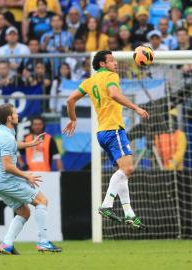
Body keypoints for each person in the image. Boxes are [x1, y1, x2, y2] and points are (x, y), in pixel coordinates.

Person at [63, 50, 149, 229]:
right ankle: (107, 204)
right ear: (102, 64)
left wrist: (73, 119)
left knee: (122, 173)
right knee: (128, 168)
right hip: (114, 129)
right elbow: (114, 94)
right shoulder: (111, 76)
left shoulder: (89, 82)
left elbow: (70, 100)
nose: (115, 63)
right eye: (111, 60)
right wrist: (136, 108)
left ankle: (129, 214)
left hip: (102, 133)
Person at [0, 103, 62, 255]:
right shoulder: (6, 137)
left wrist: (31, 143)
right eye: (15, 113)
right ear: (10, 117)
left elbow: (13, 145)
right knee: (42, 201)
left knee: (24, 212)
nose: (18, 115)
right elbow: (7, 166)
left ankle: (6, 245)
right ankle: (43, 242)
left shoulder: (1, 130)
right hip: (7, 180)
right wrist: (26, 175)